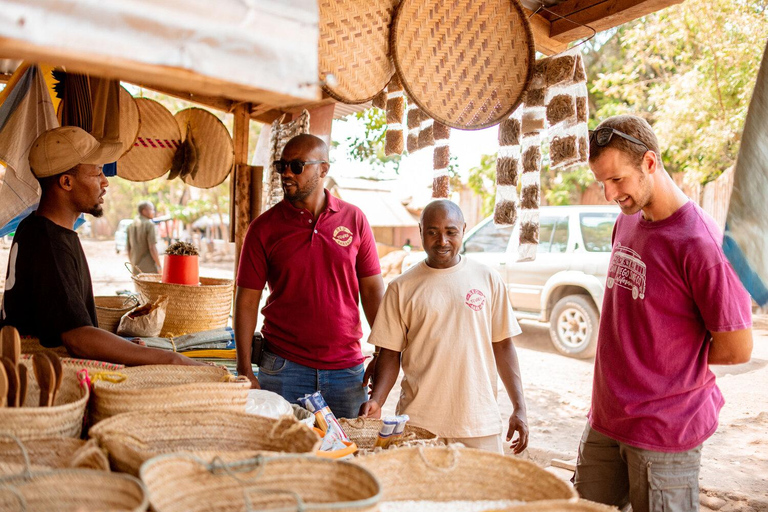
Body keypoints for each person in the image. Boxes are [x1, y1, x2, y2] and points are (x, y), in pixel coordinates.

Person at [574, 115, 753, 512]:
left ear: (650, 163)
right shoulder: (629, 219)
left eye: (617, 180)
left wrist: (666, 363)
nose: (608, 194)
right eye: (602, 182)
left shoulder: (702, 245)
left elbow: (737, 348)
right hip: (605, 418)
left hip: (664, 431)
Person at [0, 126, 202, 366]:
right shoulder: (49, 243)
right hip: (38, 375)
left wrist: (119, 345)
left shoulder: (35, 226)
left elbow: (54, 320)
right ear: (66, 182)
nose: (105, 182)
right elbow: (77, 337)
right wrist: (171, 359)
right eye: (97, 173)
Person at [359, 200, 529, 454]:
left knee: (483, 493)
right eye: (432, 232)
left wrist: (519, 406)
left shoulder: (488, 278)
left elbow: (503, 344)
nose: (442, 241)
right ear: (420, 231)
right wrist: (377, 401)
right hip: (419, 423)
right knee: (422, 493)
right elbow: (390, 353)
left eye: (451, 232)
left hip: (478, 422)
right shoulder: (401, 287)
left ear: (463, 229)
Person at [234, 134, 385, 418]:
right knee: (282, 456)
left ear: (323, 169)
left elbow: (373, 293)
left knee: (345, 456)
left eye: (297, 165)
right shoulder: (262, 229)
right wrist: (244, 369)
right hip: (283, 368)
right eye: (282, 166)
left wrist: (382, 353)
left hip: (347, 372)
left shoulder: (355, 219)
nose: (287, 173)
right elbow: (246, 302)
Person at [127, 200, 162, 274]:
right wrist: (159, 266)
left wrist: (132, 264)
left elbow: (128, 249)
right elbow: (152, 248)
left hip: (135, 268)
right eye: (152, 209)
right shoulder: (149, 225)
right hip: (149, 269)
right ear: (144, 211)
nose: (153, 212)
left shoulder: (131, 226)